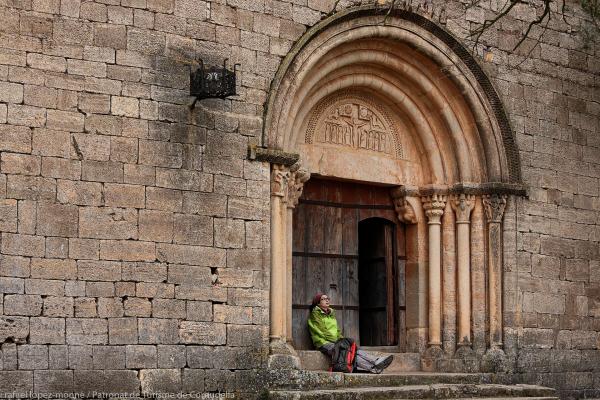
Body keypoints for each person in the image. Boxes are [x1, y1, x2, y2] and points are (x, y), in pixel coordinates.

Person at [307, 293, 394, 374]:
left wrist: (342, 340)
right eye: (323, 299)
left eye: (327, 298)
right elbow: (323, 333)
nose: (327, 300)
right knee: (346, 350)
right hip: (323, 343)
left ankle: (374, 364)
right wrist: (341, 342)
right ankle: (374, 363)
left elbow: (337, 331)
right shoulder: (315, 315)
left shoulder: (331, 314)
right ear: (318, 303)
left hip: (335, 341)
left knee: (352, 350)